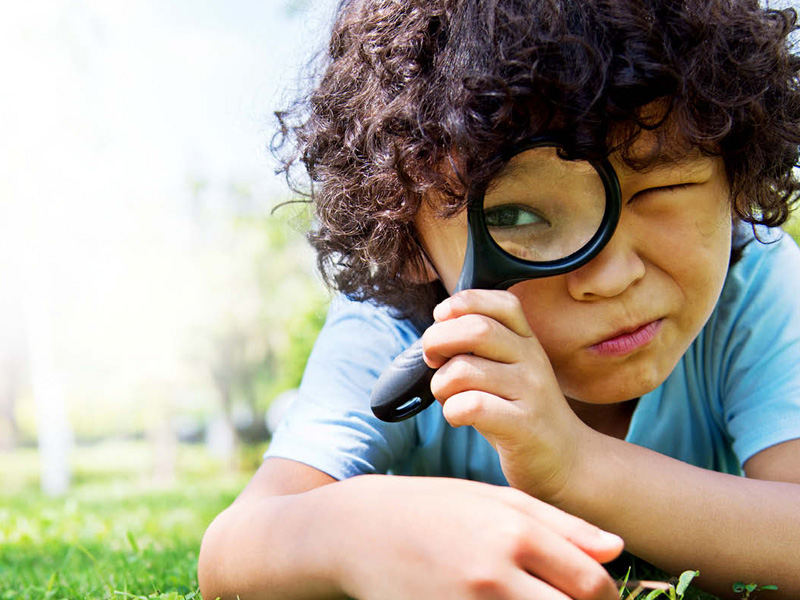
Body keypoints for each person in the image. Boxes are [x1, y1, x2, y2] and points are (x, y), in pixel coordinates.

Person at [198, 0, 800, 598]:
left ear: (739, 175)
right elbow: (234, 549)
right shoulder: (395, 330)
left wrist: (577, 466)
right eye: (517, 215)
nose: (612, 275)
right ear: (408, 238)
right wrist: (358, 530)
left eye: (666, 184)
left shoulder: (754, 284)